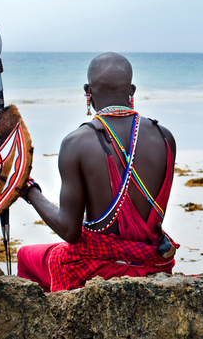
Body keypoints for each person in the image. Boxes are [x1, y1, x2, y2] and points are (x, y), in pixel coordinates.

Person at [16, 52, 178, 291]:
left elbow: (69, 231)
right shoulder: (165, 137)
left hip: (96, 269)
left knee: (25, 255)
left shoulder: (77, 142)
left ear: (87, 91)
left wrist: (29, 191)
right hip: (154, 263)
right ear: (131, 90)